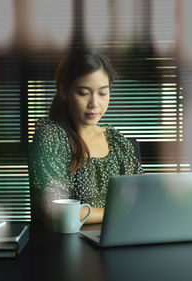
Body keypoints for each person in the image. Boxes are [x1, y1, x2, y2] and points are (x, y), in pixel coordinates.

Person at [29, 49, 143, 228]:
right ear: (64, 91)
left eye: (103, 93)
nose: (94, 104)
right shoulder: (51, 137)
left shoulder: (117, 141)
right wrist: (118, 212)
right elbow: (56, 210)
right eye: (83, 93)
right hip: (64, 246)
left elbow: (141, 199)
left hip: (118, 239)